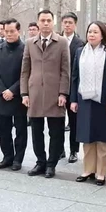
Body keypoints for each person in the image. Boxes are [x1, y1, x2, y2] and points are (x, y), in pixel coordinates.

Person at [20, 9, 71, 178]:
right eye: (43, 20)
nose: (46, 23)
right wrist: (24, 93)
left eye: (49, 20)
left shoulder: (62, 42)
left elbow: (65, 70)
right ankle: (40, 162)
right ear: (38, 22)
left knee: (55, 132)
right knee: (36, 131)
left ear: (53, 22)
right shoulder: (30, 43)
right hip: (34, 93)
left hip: (55, 94)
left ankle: (51, 164)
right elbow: (25, 70)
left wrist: (63, 93)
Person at [70, 22, 106, 186]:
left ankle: (101, 172)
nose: (91, 34)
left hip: (103, 101)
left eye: (95, 32)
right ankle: (88, 169)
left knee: (103, 138)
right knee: (87, 136)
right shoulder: (80, 52)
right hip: (85, 100)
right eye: (89, 31)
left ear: (102, 35)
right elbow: (75, 77)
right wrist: (73, 100)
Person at [0, 19, 28, 171]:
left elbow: (26, 73)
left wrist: (13, 90)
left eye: (12, 31)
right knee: (4, 130)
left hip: (18, 96)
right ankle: (7, 157)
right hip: (2, 96)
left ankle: (18, 159)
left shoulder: (25, 49)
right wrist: (2, 90)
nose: (9, 34)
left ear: (18, 31)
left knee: (20, 130)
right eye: (7, 31)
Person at [60, 12, 85, 163]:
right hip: (57, 88)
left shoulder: (80, 43)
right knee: (56, 121)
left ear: (75, 24)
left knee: (74, 121)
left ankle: (74, 150)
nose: (67, 25)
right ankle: (59, 149)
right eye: (65, 22)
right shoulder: (55, 40)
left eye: (70, 22)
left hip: (74, 88)